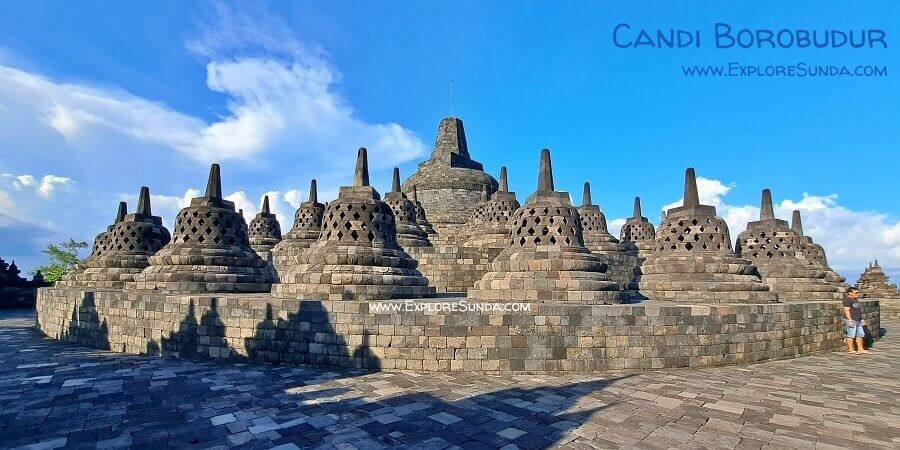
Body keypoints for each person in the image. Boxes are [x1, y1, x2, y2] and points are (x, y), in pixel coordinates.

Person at [842, 287, 869, 354]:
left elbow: (857, 310)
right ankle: (851, 350)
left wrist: (861, 319)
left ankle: (860, 349)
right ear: (850, 293)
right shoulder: (847, 300)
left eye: (858, 292)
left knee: (860, 335)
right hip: (852, 320)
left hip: (858, 320)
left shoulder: (855, 300)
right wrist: (850, 320)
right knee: (851, 335)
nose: (858, 294)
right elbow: (846, 310)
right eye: (856, 293)